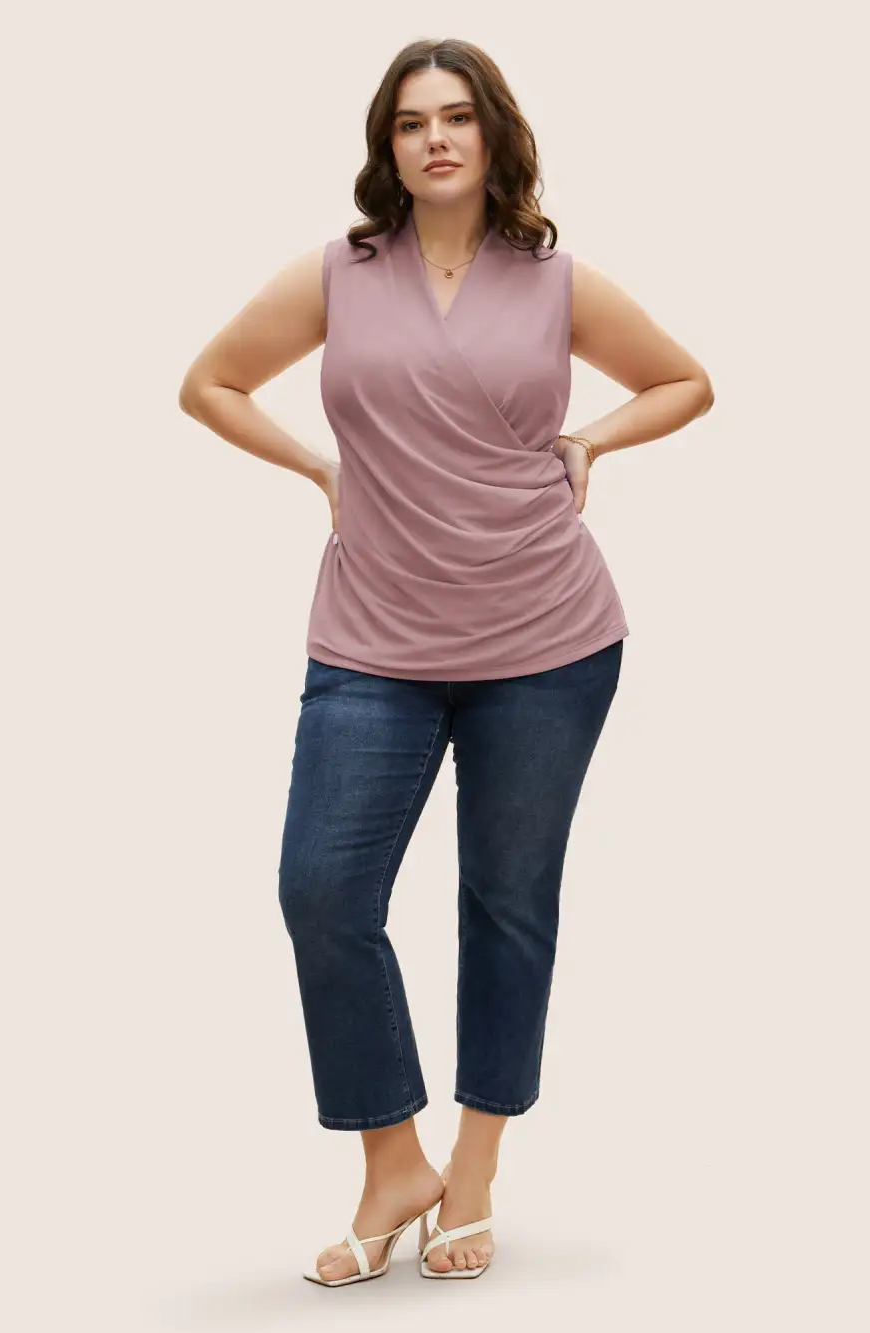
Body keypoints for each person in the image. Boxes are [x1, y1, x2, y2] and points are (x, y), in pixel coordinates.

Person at [178, 37, 714, 1287]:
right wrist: (319, 469)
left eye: (457, 117)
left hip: (548, 639)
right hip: (373, 637)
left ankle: (471, 1167)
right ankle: (392, 1159)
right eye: (412, 121)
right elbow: (211, 383)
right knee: (322, 891)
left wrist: (592, 441)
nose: (435, 139)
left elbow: (685, 381)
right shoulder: (338, 272)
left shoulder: (556, 279)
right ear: (389, 143)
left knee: (507, 903)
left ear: (492, 135)